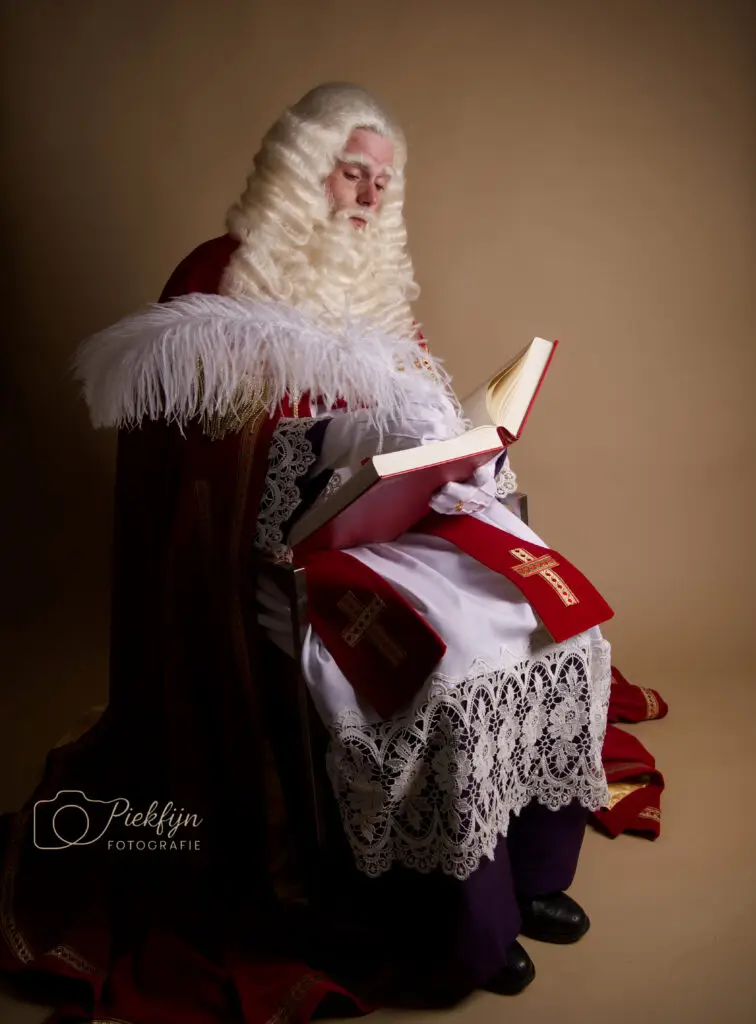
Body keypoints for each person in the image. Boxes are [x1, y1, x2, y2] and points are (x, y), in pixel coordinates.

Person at [0, 82, 665, 1022]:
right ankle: (467, 930)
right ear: (299, 170)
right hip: (280, 563)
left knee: (546, 624)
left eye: (381, 183)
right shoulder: (216, 274)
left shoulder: (375, 284)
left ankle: (528, 868)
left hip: (393, 530)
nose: (364, 197)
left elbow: (408, 405)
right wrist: (314, 464)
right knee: (441, 668)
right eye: (350, 173)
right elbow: (206, 466)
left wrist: (458, 447)